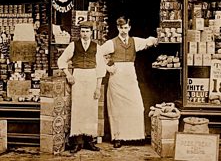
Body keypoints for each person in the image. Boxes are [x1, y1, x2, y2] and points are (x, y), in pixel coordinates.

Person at [101, 16, 158, 148]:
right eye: (121, 28)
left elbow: (148, 41)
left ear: (129, 27)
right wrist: (108, 67)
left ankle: (136, 136)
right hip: (117, 78)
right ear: (117, 28)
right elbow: (97, 53)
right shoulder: (111, 43)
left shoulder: (134, 41)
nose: (123, 30)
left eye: (126, 27)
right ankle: (117, 137)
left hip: (130, 76)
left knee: (137, 106)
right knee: (117, 108)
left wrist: (158, 38)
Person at [57, 21, 106, 154]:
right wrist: (68, 74)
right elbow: (61, 60)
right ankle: (77, 142)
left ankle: (89, 140)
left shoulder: (97, 47)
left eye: (87, 31)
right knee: (78, 108)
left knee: (91, 109)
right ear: (80, 32)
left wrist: (97, 88)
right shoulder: (73, 45)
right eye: (82, 31)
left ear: (91, 32)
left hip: (91, 76)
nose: (84, 34)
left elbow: (101, 68)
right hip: (78, 76)